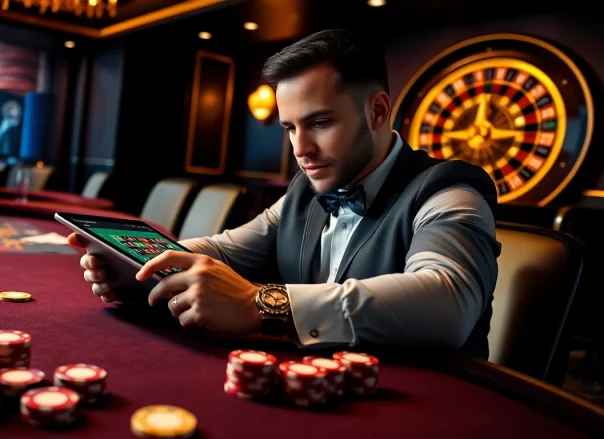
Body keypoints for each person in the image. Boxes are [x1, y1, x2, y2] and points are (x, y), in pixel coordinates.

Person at [68, 29, 502, 358]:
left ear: (377, 110)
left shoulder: (451, 191)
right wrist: (142, 266)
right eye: (290, 128)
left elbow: (448, 300)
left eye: (318, 123)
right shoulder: (306, 191)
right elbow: (223, 250)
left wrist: (262, 304)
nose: (300, 150)